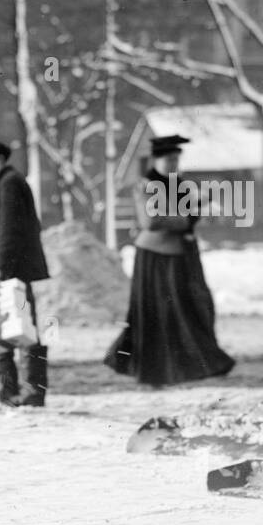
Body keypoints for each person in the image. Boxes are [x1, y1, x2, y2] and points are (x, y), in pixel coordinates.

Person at [104, 134, 235, 386]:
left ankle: (193, 364)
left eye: (176, 159)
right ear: (157, 159)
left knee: (195, 307)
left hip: (183, 255)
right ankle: (160, 370)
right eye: (168, 159)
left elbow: (177, 210)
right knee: (159, 312)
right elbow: (150, 221)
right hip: (156, 257)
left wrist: (199, 204)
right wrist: (188, 216)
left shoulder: (179, 184)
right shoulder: (145, 185)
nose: (173, 164)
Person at [0, 140, 51, 406]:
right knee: (13, 328)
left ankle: (23, 391)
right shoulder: (7, 182)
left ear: (1, 158)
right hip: (13, 268)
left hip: (11, 270)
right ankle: (18, 390)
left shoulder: (10, 183)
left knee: (17, 329)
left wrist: (2, 269)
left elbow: (10, 230)